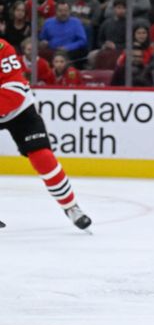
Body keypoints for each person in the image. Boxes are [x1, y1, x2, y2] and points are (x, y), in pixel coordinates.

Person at [0, 36, 91, 229]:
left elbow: (13, 90)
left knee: (43, 156)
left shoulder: (2, 48)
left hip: (18, 109)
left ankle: (71, 207)